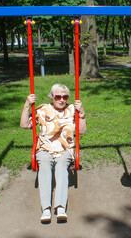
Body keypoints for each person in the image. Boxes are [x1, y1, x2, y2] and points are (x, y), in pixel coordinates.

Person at [20, 83, 86, 223]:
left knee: (62, 167)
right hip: (45, 148)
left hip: (65, 149)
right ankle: (46, 209)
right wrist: (27, 105)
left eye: (65, 97)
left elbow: (81, 131)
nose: (62, 100)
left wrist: (82, 114)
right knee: (44, 166)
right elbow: (25, 125)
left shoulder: (72, 109)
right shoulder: (43, 109)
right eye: (58, 97)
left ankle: (60, 207)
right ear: (52, 97)